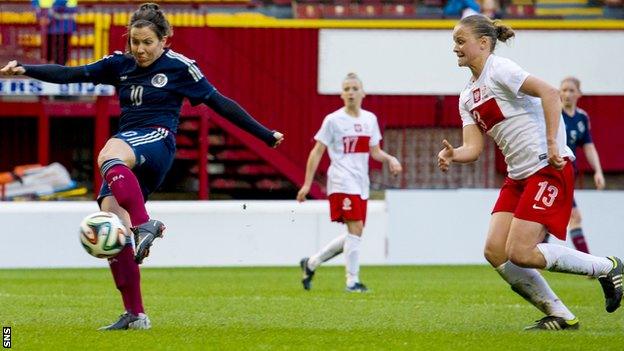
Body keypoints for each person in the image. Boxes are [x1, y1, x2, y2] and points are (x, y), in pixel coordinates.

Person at [1, 2, 283, 330]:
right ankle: (135, 314)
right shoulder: (118, 65)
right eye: (135, 41)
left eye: (148, 42)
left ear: (165, 40)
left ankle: (145, 223)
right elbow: (70, 74)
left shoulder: (180, 67)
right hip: (130, 153)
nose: (140, 49)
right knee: (112, 226)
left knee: (108, 153)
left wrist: (265, 135)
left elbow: (219, 102)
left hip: (158, 141)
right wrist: (25, 68)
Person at [437, 15, 622, 330]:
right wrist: (454, 154)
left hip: (546, 167)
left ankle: (608, 267)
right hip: (518, 177)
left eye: (460, 41)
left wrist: (552, 143)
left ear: (483, 43)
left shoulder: (500, 69)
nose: (455, 48)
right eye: (454, 41)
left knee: (520, 251)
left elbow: (550, 93)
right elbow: (474, 148)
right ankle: (561, 315)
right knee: (495, 251)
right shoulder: (466, 96)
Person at [296, 73, 402, 293]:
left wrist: (390, 158)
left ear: (362, 93)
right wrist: (307, 184)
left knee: (356, 232)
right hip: (341, 181)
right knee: (355, 228)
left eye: (354, 88)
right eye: (347, 89)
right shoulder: (333, 120)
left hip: (360, 182)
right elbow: (317, 152)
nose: (351, 92)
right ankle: (352, 282)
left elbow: (375, 152)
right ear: (342, 94)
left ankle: (312, 263)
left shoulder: (369, 120)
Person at [543, 77, 605, 254]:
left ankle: (530, 264)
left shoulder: (582, 117)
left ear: (579, 94)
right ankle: (589, 264)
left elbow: (588, 146)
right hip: (553, 173)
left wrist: (598, 172)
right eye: (563, 90)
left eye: (571, 90)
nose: (567, 94)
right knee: (572, 217)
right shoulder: (554, 113)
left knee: (548, 221)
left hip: (567, 176)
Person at [32, 0, 77, 65]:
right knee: (48, 56)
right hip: (51, 28)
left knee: (59, 57)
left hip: (62, 26)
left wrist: (46, 17)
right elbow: (35, 2)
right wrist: (41, 17)